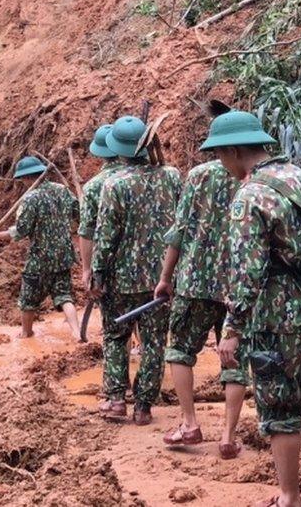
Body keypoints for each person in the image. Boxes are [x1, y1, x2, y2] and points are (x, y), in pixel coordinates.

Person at [209, 110, 301, 507]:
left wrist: (232, 328)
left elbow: (246, 271)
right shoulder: (300, 177)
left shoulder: (249, 196)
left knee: (278, 410)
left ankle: (288, 496)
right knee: (296, 390)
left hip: (276, 317)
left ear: (234, 151)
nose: (221, 163)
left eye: (220, 155)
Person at [156, 140, 249, 459]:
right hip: (238, 285)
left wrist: (165, 278)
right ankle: (228, 437)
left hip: (195, 280)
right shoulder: (253, 177)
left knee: (180, 350)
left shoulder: (197, 176)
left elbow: (179, 232)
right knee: (235, 360)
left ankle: (190, 423)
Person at [91, 116, 181, 424]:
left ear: (116, 150)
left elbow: (105, 236)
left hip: (122, 278)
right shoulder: (171, 176)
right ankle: (143, 407)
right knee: (155, 341)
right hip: (163, 277)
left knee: (116, 337)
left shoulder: (113, 184)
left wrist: (97, 274)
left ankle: (116, 400)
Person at [0, 156, 79, 338]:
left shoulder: (31, 199)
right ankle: (77, 333)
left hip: (40, 258)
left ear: (27, 178)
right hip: (64, 255)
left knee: (28, 298)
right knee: (64, 296)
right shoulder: (63, 191)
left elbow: (21, 230)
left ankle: (26, 334)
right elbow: (79, 213)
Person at [77, 124, 122, 292]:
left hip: (113, 272)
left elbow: (87, 231)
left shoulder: (93, 186)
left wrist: (87, 269)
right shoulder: (150, 175)